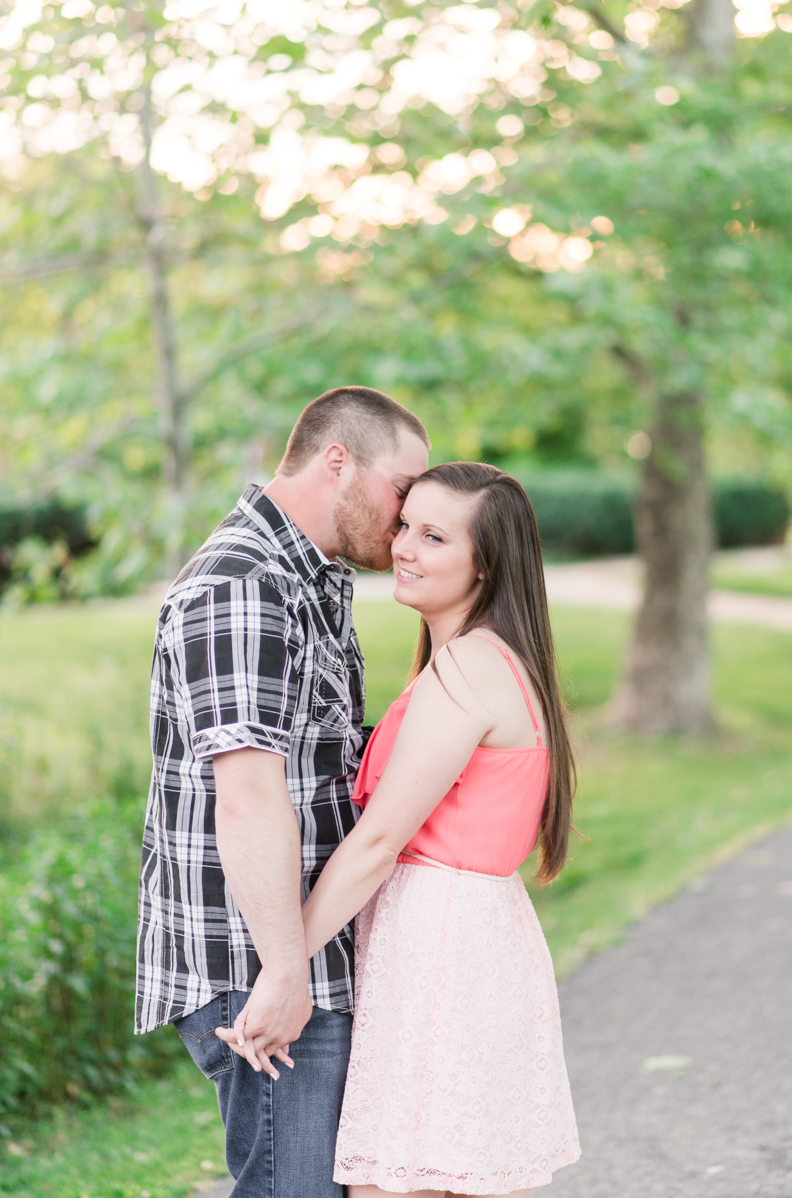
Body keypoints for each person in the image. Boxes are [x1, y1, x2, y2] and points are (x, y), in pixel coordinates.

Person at [223, 461, 580, 1196]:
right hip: (464, 935)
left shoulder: (468, 671)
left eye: (434, 535)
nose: (404, 548)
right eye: (405, 525)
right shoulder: (476, 661)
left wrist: (280, 971)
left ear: (487, 564)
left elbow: (379, 842)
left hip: (440, 947)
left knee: (398, 1181)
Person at [134, 386, 430, 1198]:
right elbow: (251, 798)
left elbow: (325, 758)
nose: (408, 518)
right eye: (403, 491)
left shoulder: (312, 575)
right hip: (259, 959)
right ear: (338, 462)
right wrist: (285, 972)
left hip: (298, 945)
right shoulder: (244, 585)